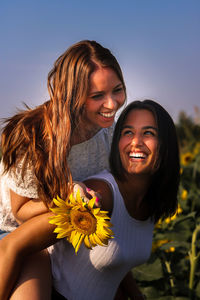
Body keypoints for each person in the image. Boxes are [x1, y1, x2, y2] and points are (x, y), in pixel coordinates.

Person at [0, 100, 180, 300]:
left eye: (148, 133)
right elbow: (12, 245)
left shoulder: (150, 200)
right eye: (128, 132)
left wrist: (135, 295)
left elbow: (115, 255)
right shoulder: (97, 197)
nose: (136, 141)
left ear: (166, 144)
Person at [0, 40, 126, 299]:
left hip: (57, 235)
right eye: (98, 96)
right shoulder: (34, 135)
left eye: (118, 90)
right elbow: (20, 212)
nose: (112, 104)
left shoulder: (108, 133)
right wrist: (68, 193)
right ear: (72, 95)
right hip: (13, 233)